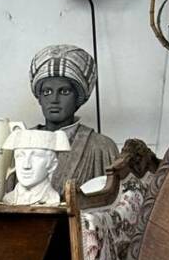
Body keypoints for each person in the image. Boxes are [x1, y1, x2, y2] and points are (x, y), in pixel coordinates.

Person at [29, 44, 116, 193]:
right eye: (47, 92)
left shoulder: (101, 148)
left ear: (78, 98)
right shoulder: (23, 141)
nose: (54, 100)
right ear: (39, 98)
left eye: (64, 91)